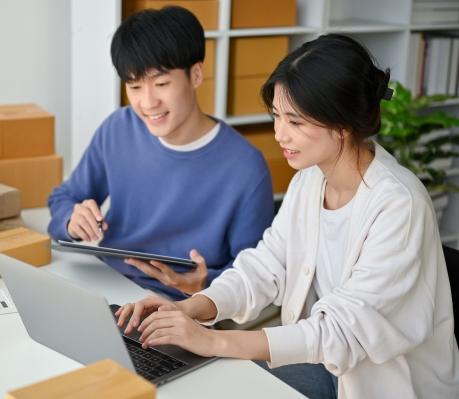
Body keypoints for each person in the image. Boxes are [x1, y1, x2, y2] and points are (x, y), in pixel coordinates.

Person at [116, 33, 459, 398]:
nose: (280, 133)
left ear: (343, 125)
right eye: (277, 116)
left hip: (383, 386)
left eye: (295, 122)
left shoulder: (399, 205)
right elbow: (264, 267)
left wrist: (215, 342)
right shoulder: (309, 181)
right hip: (324, 364)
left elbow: (341, 332)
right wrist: (189, 309)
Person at [47, 6, 273, 300]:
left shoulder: (246, 168)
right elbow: (63, 199)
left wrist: (205, 286)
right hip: (103, 285)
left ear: (195, 74)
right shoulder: (118, 128)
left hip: (179, 307)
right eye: (135, 86)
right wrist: (72, 221)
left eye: (162, 83)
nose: (147, 102)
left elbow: (253, 277)